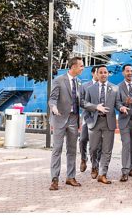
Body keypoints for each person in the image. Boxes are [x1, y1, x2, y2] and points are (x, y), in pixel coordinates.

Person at [47, 57, 84, 191]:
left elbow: (82, 102)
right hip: (60, 118)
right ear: (73, 67)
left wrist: (96, 107)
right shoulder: (59, 80)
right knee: (57, 149)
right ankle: (54, 179)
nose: (83, 68)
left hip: (74, 119)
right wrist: (54, 108)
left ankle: (70, 177)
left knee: (72, 150)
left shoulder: (79, 83)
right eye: (81, 66)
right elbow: (52, 99)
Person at [82, 65, 121, 184]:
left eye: (105, 72)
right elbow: (84, 103)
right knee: (93, 148)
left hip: (108, 122)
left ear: (108, 74)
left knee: (107, 149)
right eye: (101, 72)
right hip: (94, 121)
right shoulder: (90, 89)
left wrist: (122, 107)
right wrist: (95, 108)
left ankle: (103, 174)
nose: (103, 74)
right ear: (97, 74)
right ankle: (94, 166)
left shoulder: (115, 88)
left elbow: (117, 103)